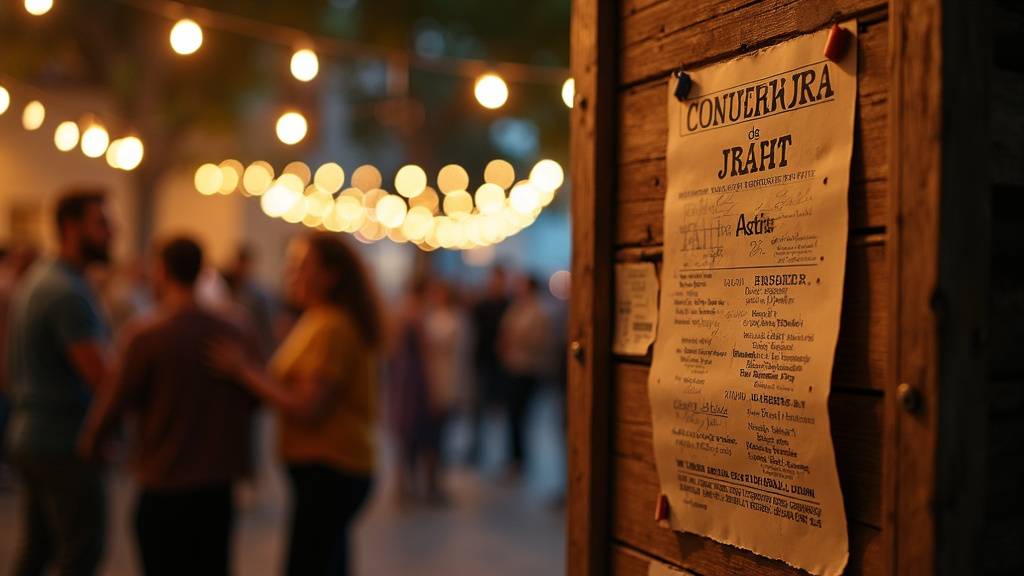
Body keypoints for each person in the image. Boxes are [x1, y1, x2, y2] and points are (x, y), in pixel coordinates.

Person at [78, 237, 258, 576]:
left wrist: (91, 445)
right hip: (217, 483)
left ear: (160, 271)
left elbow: (114, 401)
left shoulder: (146, 335)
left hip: (163, 479)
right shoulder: (236, 328)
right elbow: (254, 398)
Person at [210, 233, 382, 576]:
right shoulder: (320, 319)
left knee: (308, 564)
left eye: (301, 266)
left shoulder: (331, 325)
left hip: (330, 467)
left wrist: (243, 371)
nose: (291, 275)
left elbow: (308, 406)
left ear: (331, 275)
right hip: (327, 467)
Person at [5, 190, 113, 576]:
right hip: (63, 441)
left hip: (36, 435)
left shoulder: (46, 279)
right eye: (100, 223)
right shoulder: (65, 291)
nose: (111, 232)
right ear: (71, 228)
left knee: (37, 550)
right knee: (81, 551)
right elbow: (101, 377)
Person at [498, 274, 554, 477]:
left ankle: (520, 460)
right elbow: (505, 332)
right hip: (512, 366)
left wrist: (518, 339)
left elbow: (538, 340)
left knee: (521, 416)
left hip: (528, 370)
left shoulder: (540, 312)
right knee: (511, 416)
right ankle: (513, 458)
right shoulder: (516, 309)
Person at [468, 265, 510, 466]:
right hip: (483, 362)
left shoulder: (509, 305)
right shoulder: (481, 305)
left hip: (503, 366)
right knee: (478, 410)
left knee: (502, 412)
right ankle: (476, 448)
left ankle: (505, 455)